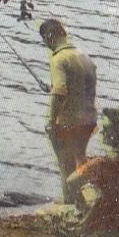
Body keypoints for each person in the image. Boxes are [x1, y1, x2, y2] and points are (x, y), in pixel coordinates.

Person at [39, 18, 97, 209]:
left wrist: (52, 121)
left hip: (67, 123)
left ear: (50, 36)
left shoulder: (59, 59)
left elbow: (60, 91)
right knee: (80, 163)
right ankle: (86, 206)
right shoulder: (84, 57)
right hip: (88, 122)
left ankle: (70, 207)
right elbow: (81, 90)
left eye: (45, 41)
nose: (46, 45)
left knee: (66, 167)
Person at [67, 107, 119, 236]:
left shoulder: (101, 165)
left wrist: (83, 206)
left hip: (105, 225)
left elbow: (71, 182)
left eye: (106, 128)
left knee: (89, 190)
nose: (101, 131)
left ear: (118, 133)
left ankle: (83, 216)